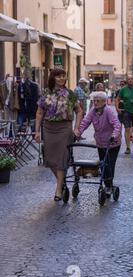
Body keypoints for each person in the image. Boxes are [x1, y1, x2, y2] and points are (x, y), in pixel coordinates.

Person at [34, 69, 83, 202]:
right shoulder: (46, 93)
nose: (62, 78)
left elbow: (79, 111)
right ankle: (62, 183)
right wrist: (37, 131)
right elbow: (39, 112)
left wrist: (76, 128)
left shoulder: (70, 94)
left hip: (64, 128)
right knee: (49, 159)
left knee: (61, 158)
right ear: (53, 78)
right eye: (58, 76)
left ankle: (58, 189)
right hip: (48, 128)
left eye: (63, 76)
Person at [75, 91, 122, 195]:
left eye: (98, 101)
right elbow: (85, 122)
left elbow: (117, 125)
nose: (95, 103)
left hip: (112, 143)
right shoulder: (92, 111)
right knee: (102, 164)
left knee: (109, 164)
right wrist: (78, 132)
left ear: (104, 102)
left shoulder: (108, 111)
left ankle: (109, 185)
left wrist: (114, 135)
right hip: (100, 143)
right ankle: (107, 185)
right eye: (94, 101)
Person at [116, 75, 133, 155]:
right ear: (127, 80)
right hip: (126, 112)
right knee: (127, 129)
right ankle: (128, 147)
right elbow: (117, 99)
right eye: (128, 79)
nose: (130, 80)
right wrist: (117, 108)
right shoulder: (123, 89)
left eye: (131, 79)